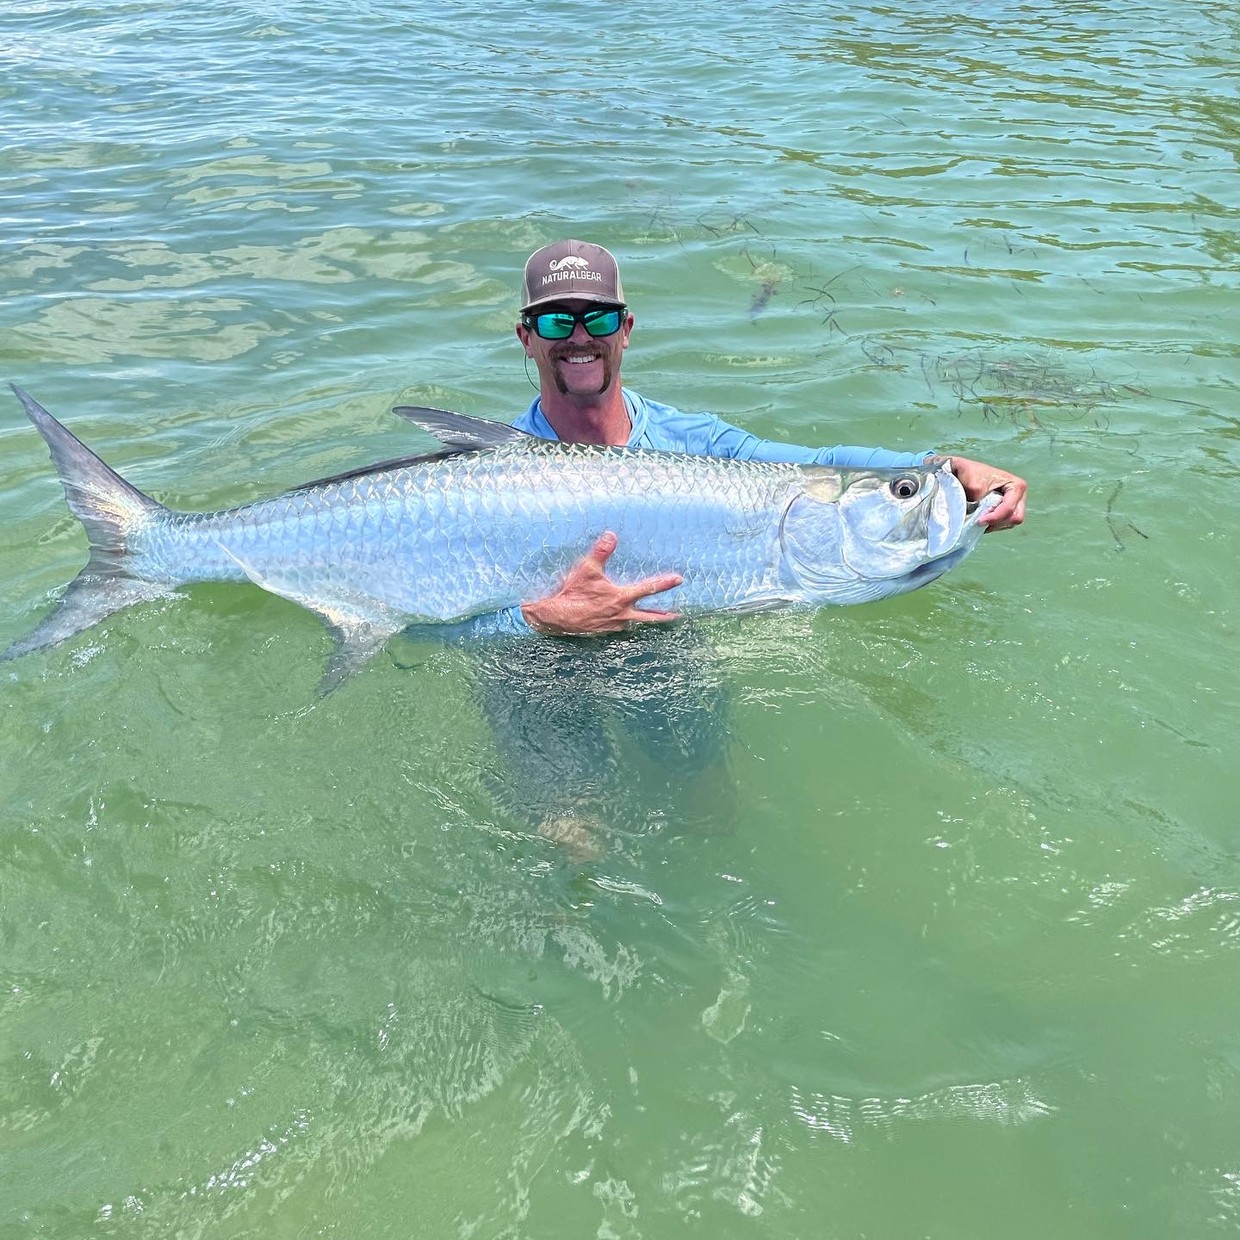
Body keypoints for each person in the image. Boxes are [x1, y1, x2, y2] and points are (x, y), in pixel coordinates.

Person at [483, 238, 1027, 640]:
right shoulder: (488, 473)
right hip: (537, 668)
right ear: (525, 338)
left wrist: (942, 467)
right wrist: (537, 620)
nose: (579, 337)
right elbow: (416, 625)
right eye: (557, 322)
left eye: (597, 320)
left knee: (705, 792)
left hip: (666, 659)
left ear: (625, 329)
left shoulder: (695, 441)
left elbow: (817, 468)